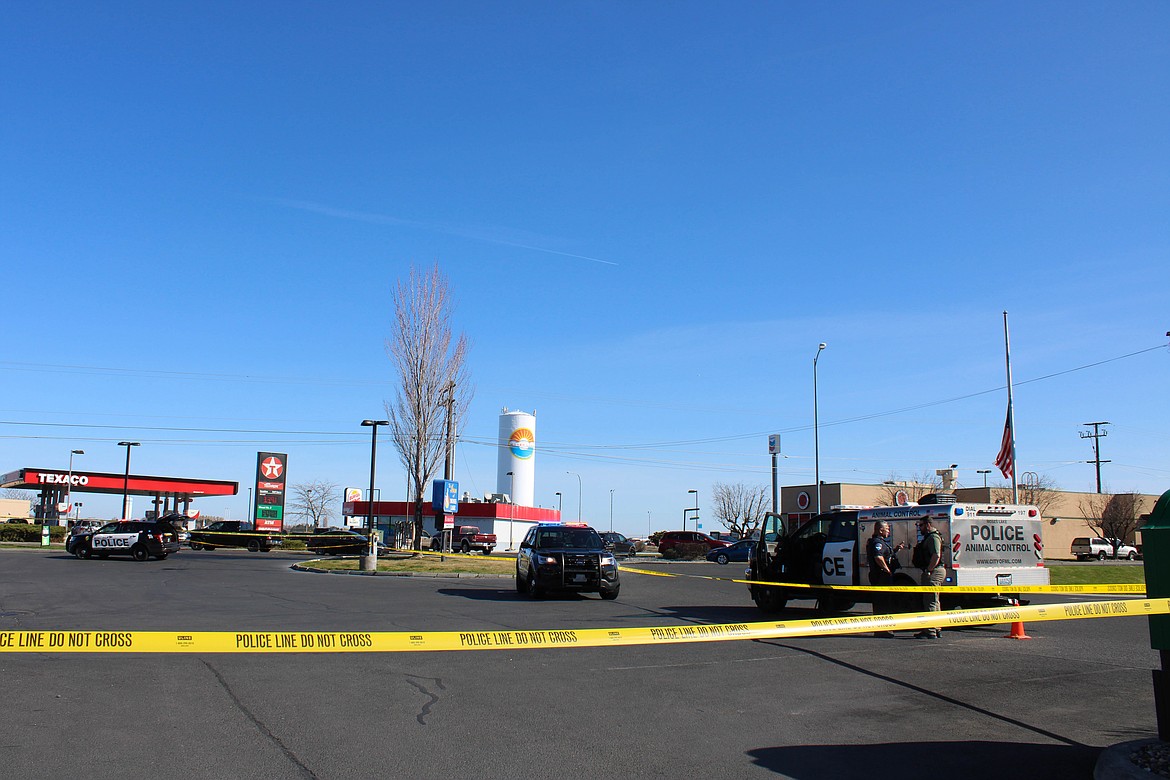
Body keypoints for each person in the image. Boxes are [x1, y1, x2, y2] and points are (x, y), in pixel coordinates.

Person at [866, 521, 905, 637]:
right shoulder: (877, 543)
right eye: (887, 529)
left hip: (881, 576)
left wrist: (896, 549)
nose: (888, 531)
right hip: (880, 576)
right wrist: (886, 569)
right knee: (882, 604)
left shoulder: (881, 542)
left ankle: (884, 629)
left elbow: (885, 554)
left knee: (885, 602)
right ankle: (882, 630)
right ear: (880, 530)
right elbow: (878, 557)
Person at [914, 516, 945, 639]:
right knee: (934, 601)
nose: (919, 528)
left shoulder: (933, 537)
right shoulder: (930, 536)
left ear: (927, 525)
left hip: (934, 571)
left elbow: (936, 555)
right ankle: (936, 628)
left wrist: (929, 570)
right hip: (935, 570)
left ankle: (930, 630)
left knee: (930, 601)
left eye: (921, 525)